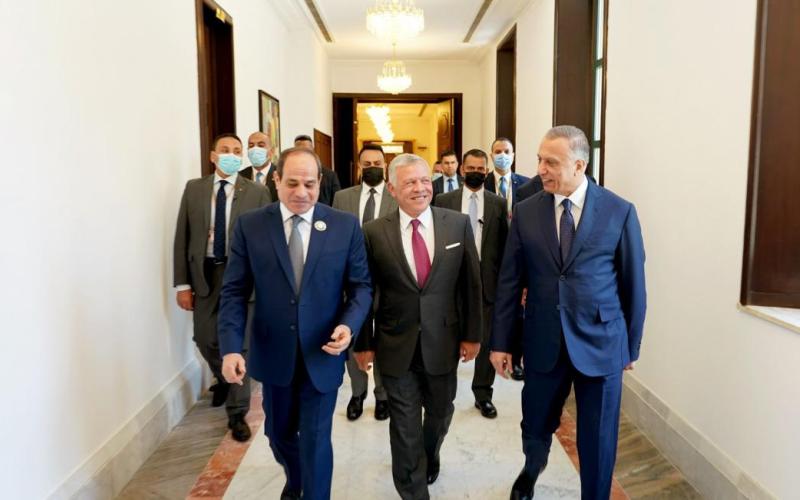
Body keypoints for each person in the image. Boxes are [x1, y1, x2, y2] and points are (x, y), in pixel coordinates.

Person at [490, 126, 646, 500]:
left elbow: (634, 286)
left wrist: (630, 347)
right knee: (535, 425)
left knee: (599, 438)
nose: (541, 169)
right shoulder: (526, 212)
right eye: (539, 160)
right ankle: (532, 469)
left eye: (551, 162)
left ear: (579, 165)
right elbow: (509, 282)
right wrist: (501, 342)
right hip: (543, 340)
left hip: (602, 343)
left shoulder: (619, 211)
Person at [217, 147, 373, 500]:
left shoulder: (344, 225)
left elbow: (361, 286)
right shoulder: (251, 225)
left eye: (309, 184)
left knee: (316, 440)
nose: (301, 192)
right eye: (292, 183)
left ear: (320, 183)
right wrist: (230, 348)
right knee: (279, 435)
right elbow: (234, 292)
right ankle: (298, 479)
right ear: (276, 180)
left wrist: (348, 325)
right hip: (274, 352)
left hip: (323, 351)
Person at [354, 153, 482, 500]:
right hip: (395, 344)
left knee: (440, 414)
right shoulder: (373, 232)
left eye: (425, 180)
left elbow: (470, 285)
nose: (420, 188)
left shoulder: (457, 224)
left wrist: (473, 335)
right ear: (392, 189)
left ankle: (430, 453)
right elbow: (365, 291)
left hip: (443, 341)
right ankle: (413, 490)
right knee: (404, 424)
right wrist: (363, 343)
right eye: (410, 182)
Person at [172, 133, 271, 442]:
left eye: (237, 151)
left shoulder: (257, 192)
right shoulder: (194, 189)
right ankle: (226, 377)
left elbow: (267, 240)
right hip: (206, 273)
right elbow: (182, 236)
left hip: (243, 274)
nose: (232, 155)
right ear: (213, 156)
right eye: (225, 150)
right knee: (205, 338)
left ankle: (237, 413)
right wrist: (182, 284)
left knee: (240, 344)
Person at [433, 148, 508, 419]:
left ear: (486, 172)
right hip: (451, 281)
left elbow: (504, 245)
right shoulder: (444, 200)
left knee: (485, 340)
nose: (476, 172)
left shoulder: (498, 203)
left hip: (487, 283)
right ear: (462, 170)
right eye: (471, 168)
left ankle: (483, 394)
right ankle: (444, 394)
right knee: (448, 339)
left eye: (480, 169)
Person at [332, 144, 397, 422]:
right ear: (359, 166)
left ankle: (382, 395)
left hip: (388, 278)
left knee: (383, 336)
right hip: (351, 279)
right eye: (367, 163)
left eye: (377, 163)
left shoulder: (396, 196)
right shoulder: (342, 197)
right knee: (353, 335)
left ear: (385, 165)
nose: (372, 168)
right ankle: (357, 393)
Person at [485, 137, 530, 215]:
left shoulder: (526, 183)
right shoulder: (483, 182)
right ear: (492, 156)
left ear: (513, 156)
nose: (503, 155)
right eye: (498, 152)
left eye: (506, 152)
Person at [294, 134, 341, 206]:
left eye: (307, 151)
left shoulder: (330, 176)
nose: (304, 154)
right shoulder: (289, 175)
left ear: (313, 150)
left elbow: (338, 202)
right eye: (300, 151)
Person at [239, 131, 278, 201]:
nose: (255, 149)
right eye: (251, 146)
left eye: (261, 145)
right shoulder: (240, 176)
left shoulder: (281, 174)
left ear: (272, 151)